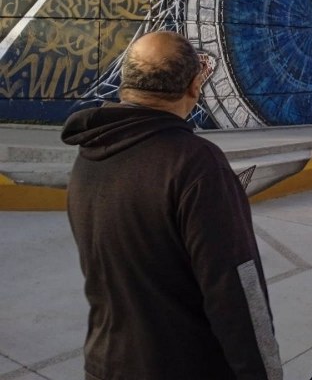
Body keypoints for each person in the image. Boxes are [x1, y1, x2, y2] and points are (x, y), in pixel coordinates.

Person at [62, 31, 283, 380]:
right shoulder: (197, 164)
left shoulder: (90, 154)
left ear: (126, 83)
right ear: (194, 86)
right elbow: (236, 291)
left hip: (105, 364)